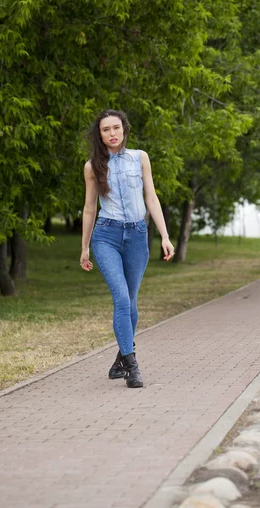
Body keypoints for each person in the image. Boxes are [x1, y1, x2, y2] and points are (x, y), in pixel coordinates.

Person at [80, 109, 174, 388]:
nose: (112, 133)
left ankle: (120, 358)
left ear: (124, 130)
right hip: (106, 235)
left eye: (116, 128)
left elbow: (151, 197)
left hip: (137, 235)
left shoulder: (140, 158)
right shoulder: (92, 166)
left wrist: (165, 237)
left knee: (131, 304)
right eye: (106, 129)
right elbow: (89, 208)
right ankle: (132, 367)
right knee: (121, 300)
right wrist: (84, 247)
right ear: (100, 135)